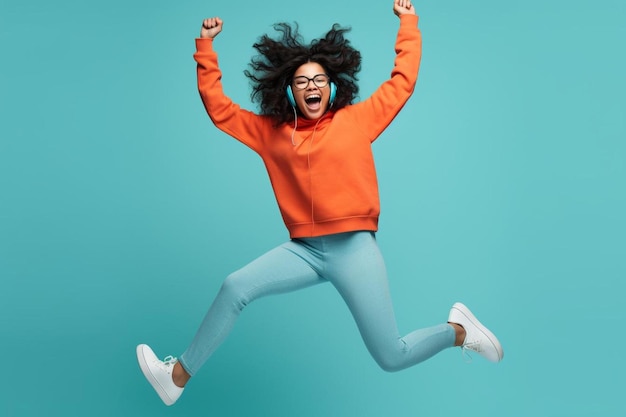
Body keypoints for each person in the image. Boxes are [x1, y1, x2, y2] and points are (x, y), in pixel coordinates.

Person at [136, 0, 503, 407]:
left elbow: (403, 81)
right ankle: (177, 377)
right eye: (301, 81)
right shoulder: (272, 133)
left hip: (354, 250)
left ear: (332, 86)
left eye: (319, 79)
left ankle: (459, 332)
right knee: (235, 286)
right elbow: (220, 110)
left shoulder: (356, 121)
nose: (312, 86)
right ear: (288, 90)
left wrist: (409, 24)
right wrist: (205, 48)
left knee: (391, 356)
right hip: (305, 251)